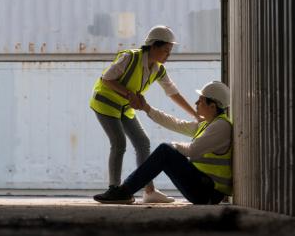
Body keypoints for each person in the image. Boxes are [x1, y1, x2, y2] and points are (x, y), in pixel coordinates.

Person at [89, 25, 200, 204]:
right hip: (105, 103)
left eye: (169, 51)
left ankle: (149, 191)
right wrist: (129, 95)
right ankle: (114, 190)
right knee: (119, 143)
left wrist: (195, 114)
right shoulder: (130, 58)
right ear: (153, 46)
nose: (168, 55)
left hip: (125, 107)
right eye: (165, 51)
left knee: (143, 142)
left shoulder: (158, 69)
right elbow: (106, 79)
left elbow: (173, 93)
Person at [93, 81, 233, 205]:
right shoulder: (207, 124)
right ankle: (125, 191)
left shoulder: (221, 126)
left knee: (165, 151)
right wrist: (146, 108)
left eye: (200, 100)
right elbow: (175, 124)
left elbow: (192, 150)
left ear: (213, 106)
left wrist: (173, 146)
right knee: (165, 151)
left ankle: (124, 192)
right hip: (202, 186)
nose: (196, 103)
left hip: (207, 192)